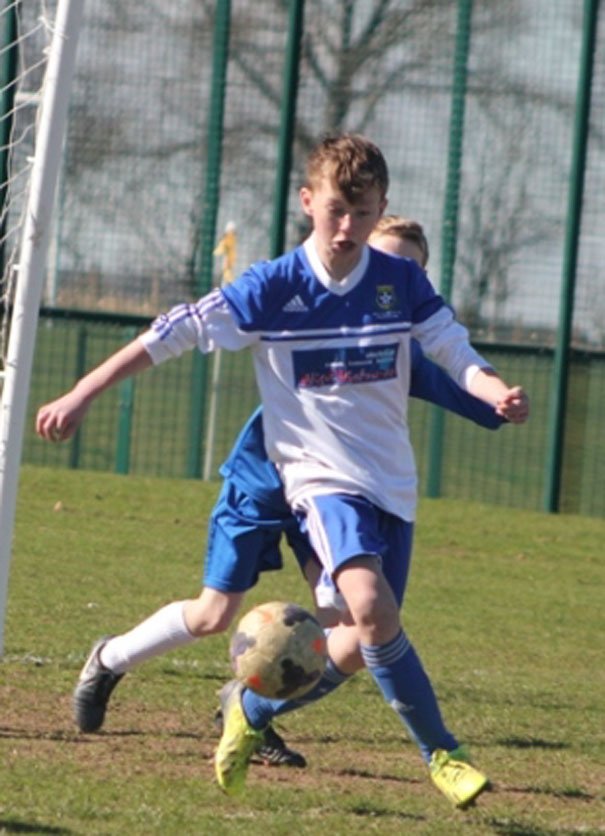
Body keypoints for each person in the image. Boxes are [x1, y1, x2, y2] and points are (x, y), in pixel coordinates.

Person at [36, 133, 529, 808]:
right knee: (349, 606)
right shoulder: (272, 286)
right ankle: (443, 754)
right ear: (307, 203)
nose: (348, 228)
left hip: (389, 486)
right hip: (313, 481)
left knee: (355, 642)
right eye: (335, 211)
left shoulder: (399, 282)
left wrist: (491, 387)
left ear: (381, 205)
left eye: (362, 213)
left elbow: (451, 348)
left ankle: (250, 711)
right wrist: (80, 392)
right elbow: (169, 334)